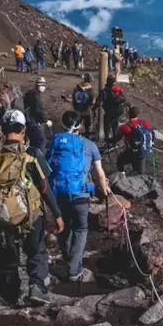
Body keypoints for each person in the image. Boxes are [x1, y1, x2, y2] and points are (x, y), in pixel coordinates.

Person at [0, 109, 63, 305]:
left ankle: (9, 295)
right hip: (30, 215)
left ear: (2, 128)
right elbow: (44, 187)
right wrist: (57, 214)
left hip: (1, 215)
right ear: (23, 129)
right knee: (36, 251)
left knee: (8, 254)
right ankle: (36, 288)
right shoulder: (31, 154)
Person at [46, 111, 110, 281]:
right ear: (80, 126)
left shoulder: (55, 142)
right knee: (81, 230)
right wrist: (104, 191)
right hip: (81, 194)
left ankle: (69, 258)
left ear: (63, 124)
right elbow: (99, 174)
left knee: (63, 227)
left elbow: (46, 167)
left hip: (59, 193)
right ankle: (74, 270)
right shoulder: (90, 145)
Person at [112, 106, 154, 175]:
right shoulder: (144, 123)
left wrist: (111, 141)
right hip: (144, 151)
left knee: (120, 160)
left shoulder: (125, 127)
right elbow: (151, 133)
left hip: (133, 152)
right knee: (140, 173)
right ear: (137, 114)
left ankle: (122, 176)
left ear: (128, 114)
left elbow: (117, 138)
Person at [94, 76, 126, 142]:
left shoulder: (104, 92)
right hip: (116, 113)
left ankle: (107, 141)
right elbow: (124, 99)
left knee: (107, 128)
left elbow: (98, 102)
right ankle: (114, 142)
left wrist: (93, 109)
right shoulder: (117, 91)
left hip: (108, 113)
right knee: (115, 127)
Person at [23, 77, 48, 152]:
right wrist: (45, 120)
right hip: (33, 121)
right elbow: (39, 110)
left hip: (27, 120)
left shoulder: (30, 93)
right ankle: (40, 159)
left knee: (33, 140)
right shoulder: (36, 96)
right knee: (42, 141)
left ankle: (31, 155)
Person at [71, 73, 95, 138]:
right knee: (87, 125)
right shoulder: (90, 89)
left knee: (76, 124)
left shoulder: (77, 87)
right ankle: (87, 136)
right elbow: (92, 101)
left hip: (77, 109)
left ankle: (75, 136)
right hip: (86, 110)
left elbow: (73, 98)